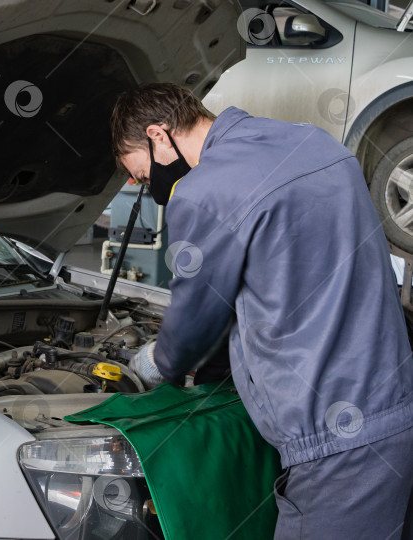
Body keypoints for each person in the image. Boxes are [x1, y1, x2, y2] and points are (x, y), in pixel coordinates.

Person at [114, 82, 413, 539]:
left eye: (138, 175)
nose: (144, 186)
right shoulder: (314, 143)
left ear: (158, 136)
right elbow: (285, 272)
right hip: (395, 406)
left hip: (334, 440)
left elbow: (195, 321)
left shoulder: (203, 191)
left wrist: (155, 363)